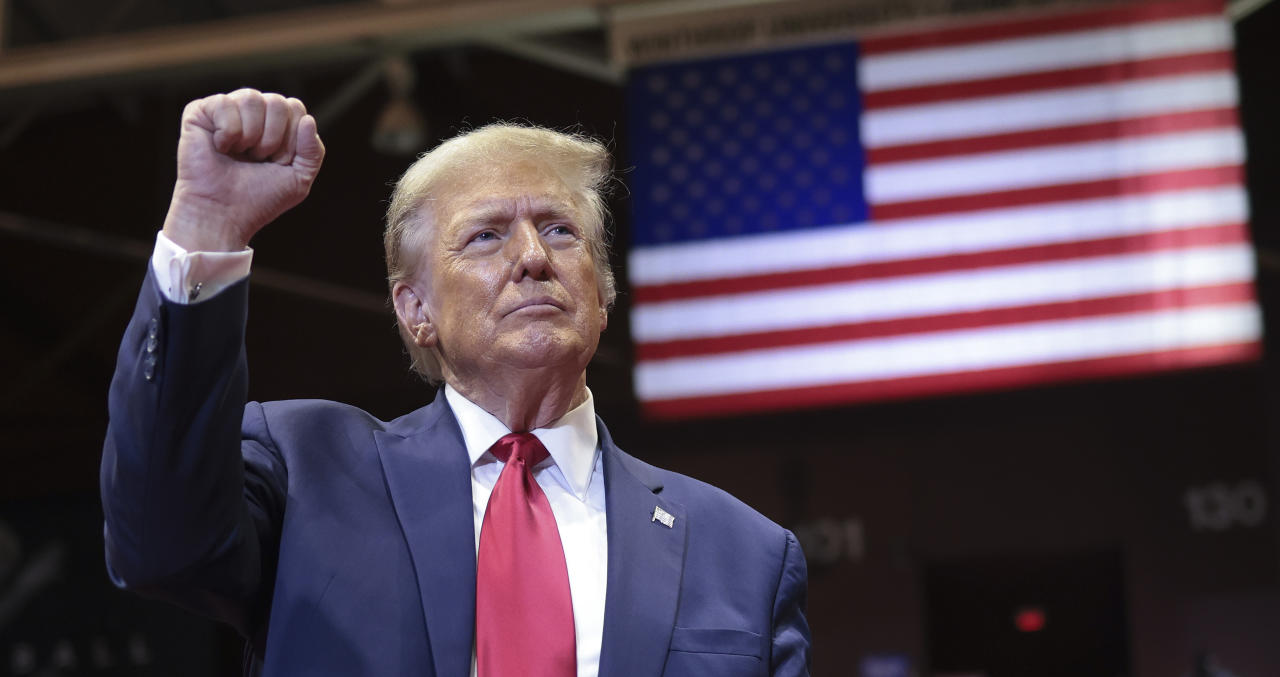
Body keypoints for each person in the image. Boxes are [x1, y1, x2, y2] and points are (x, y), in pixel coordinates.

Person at [101, 88, 810, 677]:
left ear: (602, 294)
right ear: (416, 311)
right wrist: (207, 225)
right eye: (486, 235)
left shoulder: (744, 554)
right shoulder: (307, 470)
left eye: (561, 231)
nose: (533, 256)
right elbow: (157, 543)